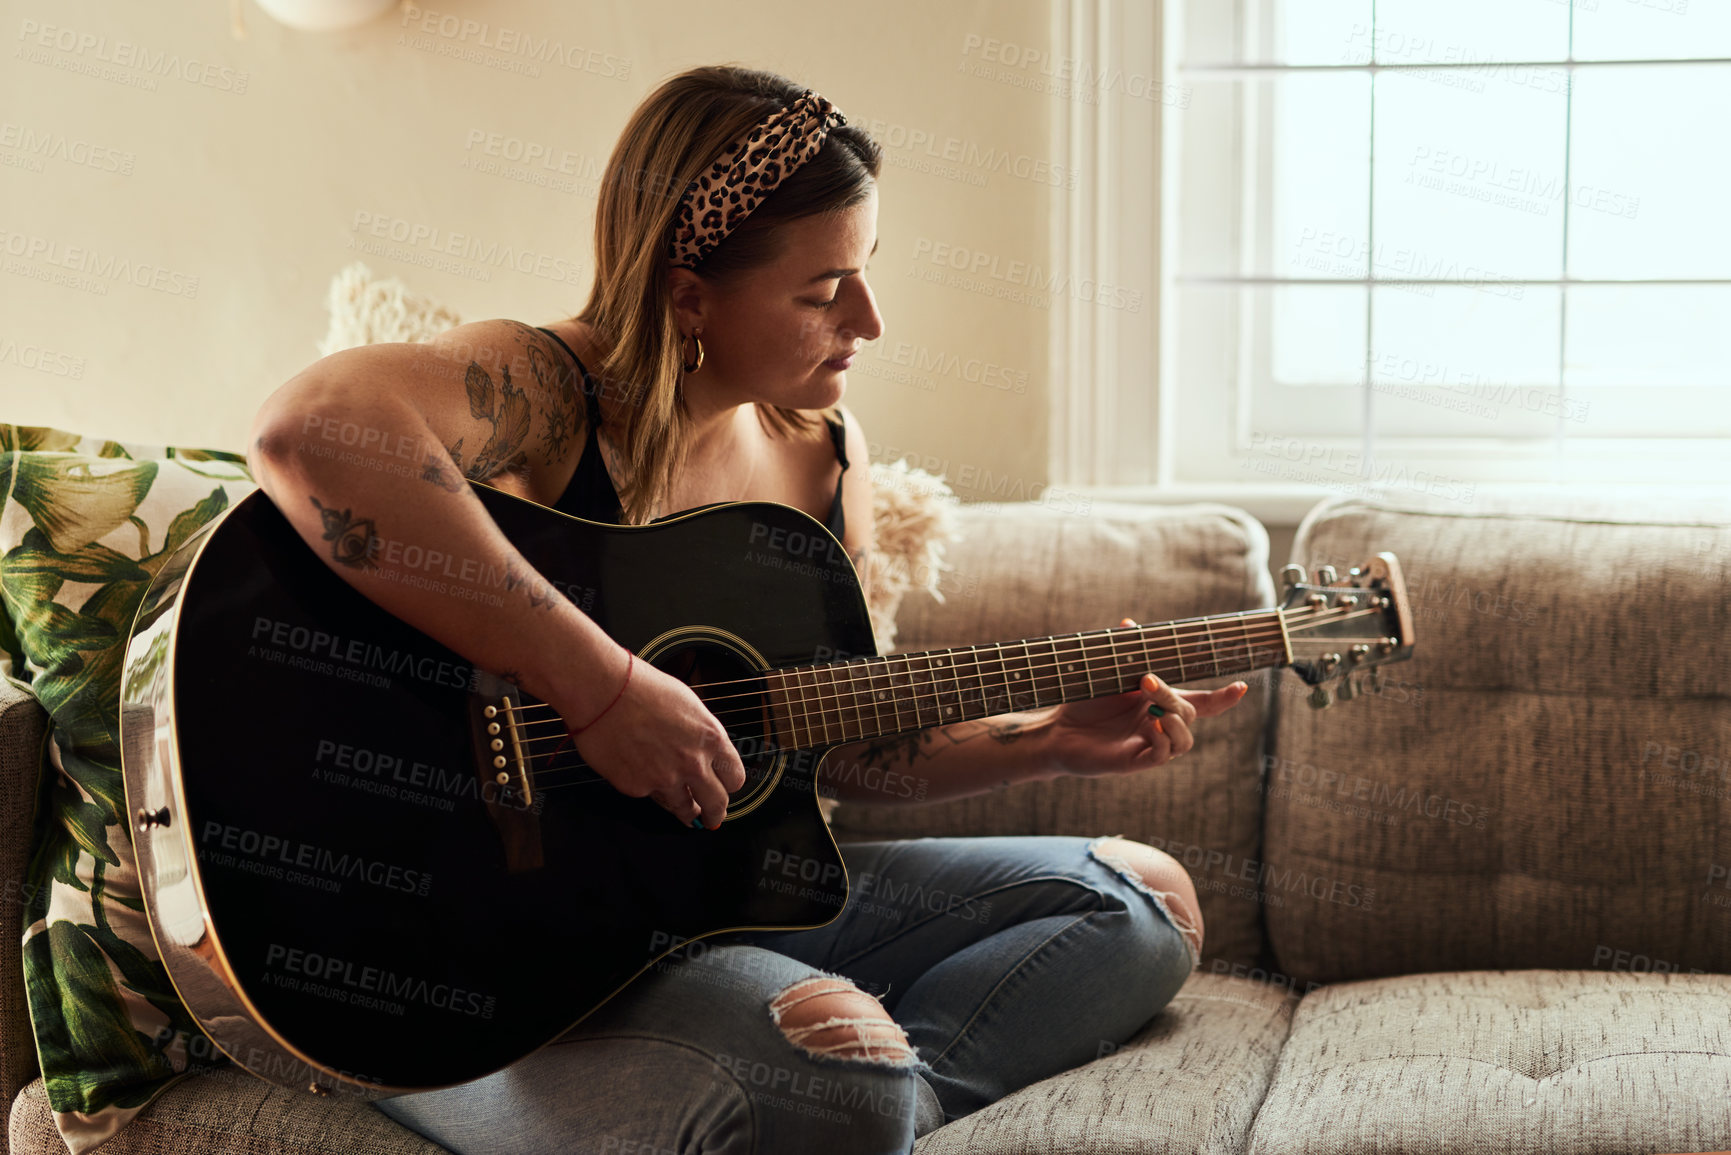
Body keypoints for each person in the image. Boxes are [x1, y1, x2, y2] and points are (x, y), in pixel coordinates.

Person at [247, 63, 1249, 1155]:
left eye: (867, 272)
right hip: (485, 915)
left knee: (1144, 903)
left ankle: (866, 1102)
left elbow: (845, 744)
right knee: (842, 1067)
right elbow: (312, 432)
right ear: (689, 296)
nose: (870, 318)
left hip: (716, 894)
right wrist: (605, 686)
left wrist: (1046, 741)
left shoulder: (824, 454)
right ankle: (820, 1088)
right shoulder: (545, 391)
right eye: (825, 291)